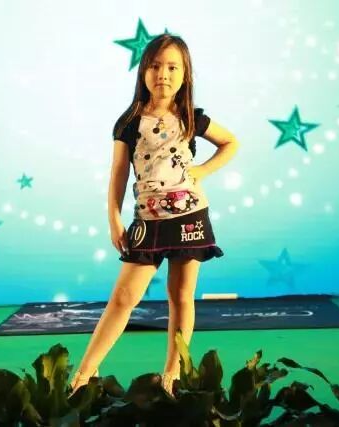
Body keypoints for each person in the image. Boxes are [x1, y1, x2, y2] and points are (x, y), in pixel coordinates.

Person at [70, 34, 238, 396]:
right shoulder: (129, 121)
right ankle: (83, 376)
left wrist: (201, 171)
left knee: (182, 296)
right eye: (156, 65)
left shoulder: (192, 117)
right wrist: (114, 218)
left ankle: (172, 378)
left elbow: (231, 142)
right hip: (147, 221)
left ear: (185, 74)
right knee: (123, 298)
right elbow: (118, 172)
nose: (164, 74)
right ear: (143, 71)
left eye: (173, 67)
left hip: (190, 217)